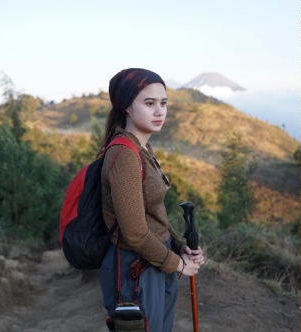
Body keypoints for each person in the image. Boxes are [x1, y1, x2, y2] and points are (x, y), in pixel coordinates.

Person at [99, 68, 204, 331]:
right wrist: (178, 265)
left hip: (156, 259)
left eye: (163, 103)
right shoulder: (124, 154)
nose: (160, 111)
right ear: (126, 107)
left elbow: (154, 210)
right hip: (135, 269)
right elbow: (134, 233)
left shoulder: (142, 147)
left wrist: (179, 246)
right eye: (149, 103)